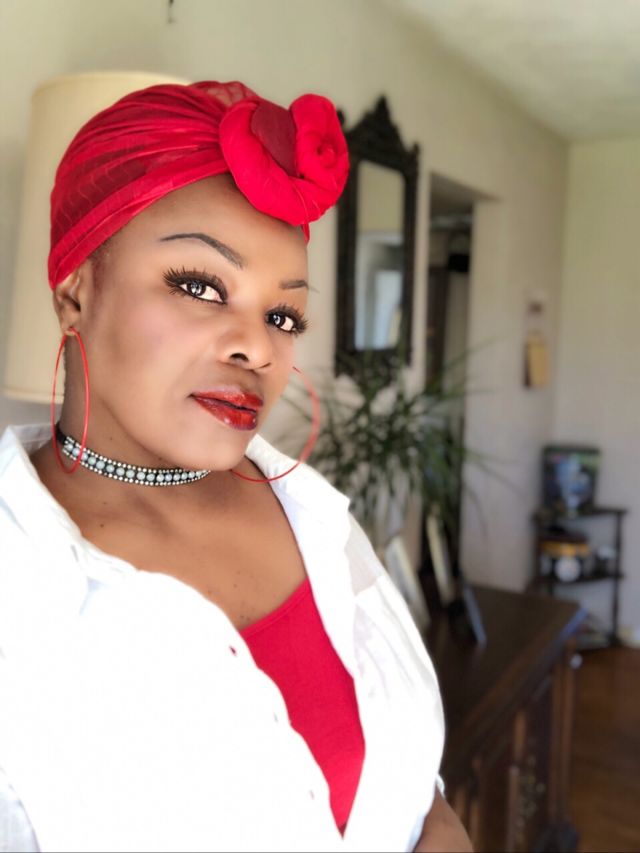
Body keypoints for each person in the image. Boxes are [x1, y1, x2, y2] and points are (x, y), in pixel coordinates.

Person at [0, 80, 472, 852]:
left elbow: (413, 785)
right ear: (75, 290)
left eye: (282, 314)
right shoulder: (19, 597)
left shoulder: (316, 514)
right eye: (200, 286)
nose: (258, 346)